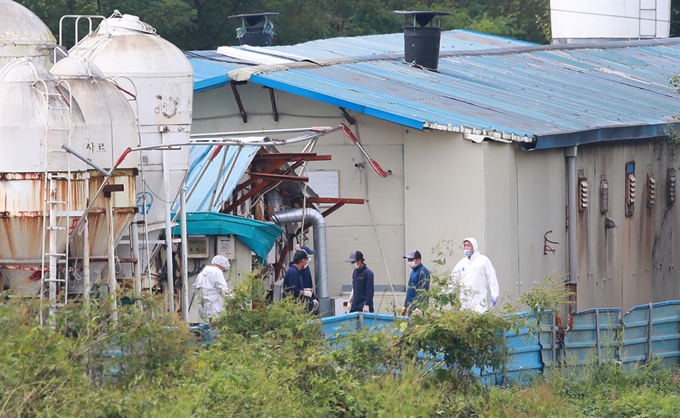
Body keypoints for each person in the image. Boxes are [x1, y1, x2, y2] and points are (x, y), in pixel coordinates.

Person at [449, 237, 500, 313]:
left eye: (468, 246)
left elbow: (491, 277)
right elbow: (453, 279)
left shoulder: (483, 260)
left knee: (479, 321)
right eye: (465, 246)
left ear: (474, 247)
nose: (466, 248)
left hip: (479, 301)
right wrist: (445, 292)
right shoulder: (462, 263)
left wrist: (494, 294)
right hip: (464, 302)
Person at [192, 255, 231, 321]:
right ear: (222, 266)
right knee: (214, 328)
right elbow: (223, 289)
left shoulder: (200, 274)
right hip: (214, 308)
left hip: (203, 309)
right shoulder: (217, 272)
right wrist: (233, 301)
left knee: (206, 327)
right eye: (224, 270)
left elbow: (194, 289)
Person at [401, 249, 430, 316]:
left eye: (411, 260)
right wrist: (405, 306)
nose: (409, 262)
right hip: (410, 307)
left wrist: (420, 308)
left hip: (417, 309)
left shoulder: (423, 271)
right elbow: (410, 291)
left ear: (418, 260)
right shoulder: (413, 272)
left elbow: (424, 291)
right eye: (408, 260)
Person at [298, 245, 319, 313]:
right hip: (302, 302)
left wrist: (313, 298)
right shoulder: (297, 271)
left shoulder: (306, 268)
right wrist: (305, 291)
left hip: (309, 299)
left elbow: (310, 283)